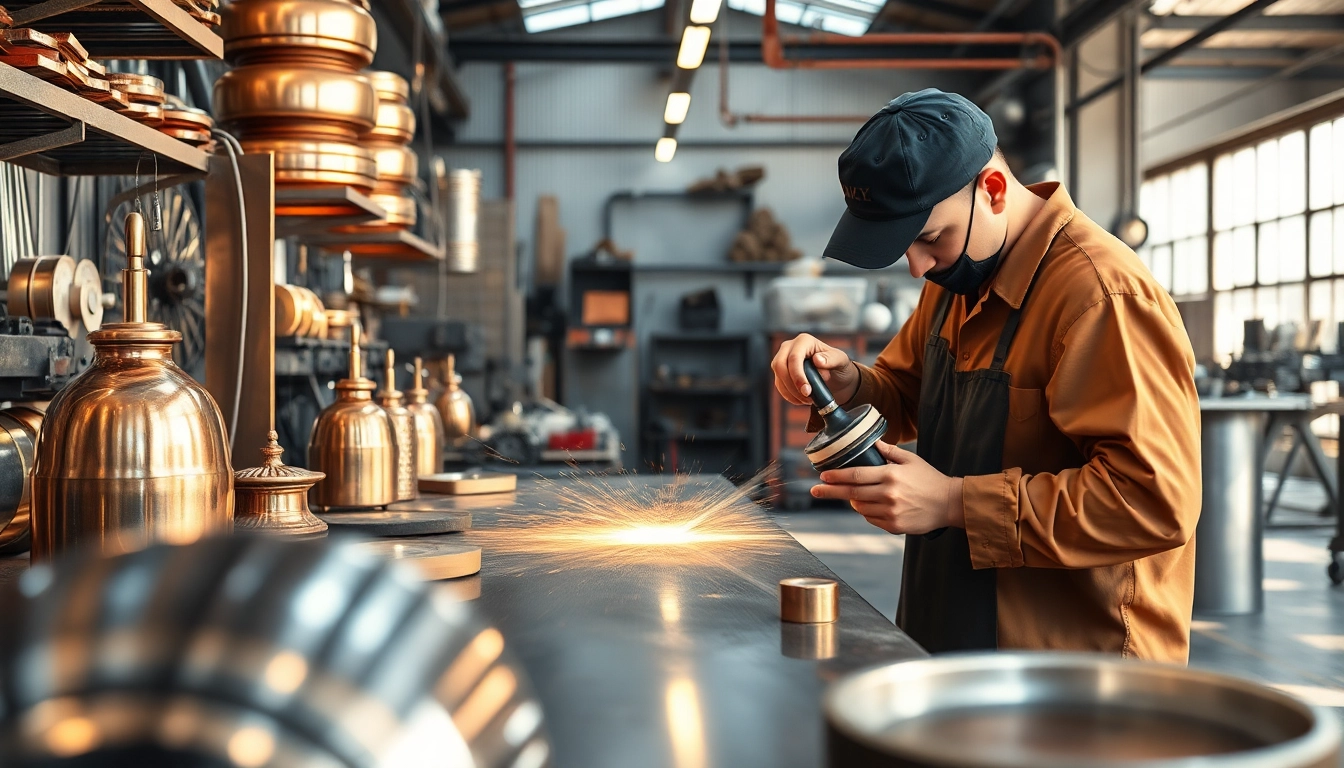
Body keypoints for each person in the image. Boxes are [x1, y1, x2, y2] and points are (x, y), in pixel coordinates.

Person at [772, 88, 1201, 662]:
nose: (918, 267)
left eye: (927, 239)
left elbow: (1155, 501)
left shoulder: (1100, 297)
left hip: (1075, 668)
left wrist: (955, 504)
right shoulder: (957, 283)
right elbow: (908, 391)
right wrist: (849, 381)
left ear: (993, 190)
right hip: (957, 636)